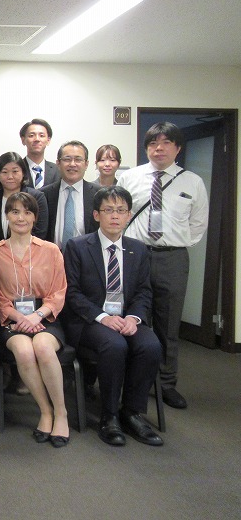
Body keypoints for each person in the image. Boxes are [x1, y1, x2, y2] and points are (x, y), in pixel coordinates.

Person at [117, 122, 208, 409]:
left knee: (168, 324)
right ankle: (132, 378)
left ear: (177, 148)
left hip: (172, 258)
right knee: (131, 318)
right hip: (134, 256)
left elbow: (198, 223)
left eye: (167, 142)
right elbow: (117, 214)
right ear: (146, 148)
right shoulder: (130, 178)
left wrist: (174, 242)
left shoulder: (192, 181)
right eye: (153, 143)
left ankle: (166, 383)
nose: (159, 148)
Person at [63, 186, 163, 446]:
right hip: (90, 321)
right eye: (108, 210)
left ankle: (131, 412)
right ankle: (109, 416)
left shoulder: (138, 249)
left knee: (151, 345)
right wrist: (102, 317)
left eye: (121, 210)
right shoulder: (77, 246)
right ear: (96, 215)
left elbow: (143, 292)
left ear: (129, 215)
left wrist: (134, 318)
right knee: (115, 345)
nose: (115, 216)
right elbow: (71, 292)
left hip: (126, 318)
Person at [0, 192, 69, 447]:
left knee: (43, 347)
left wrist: (36, 315)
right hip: (11, 320)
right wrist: (18, 316)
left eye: (27, 212)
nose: (20, 218)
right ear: (7, 216)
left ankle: (61, 413)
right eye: (14, 212)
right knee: (23, 350)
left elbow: (59, 291)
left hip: (45, 318)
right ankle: (45, 411)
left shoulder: (51, 250)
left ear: (35, 217)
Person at [40, 140, 99, 248]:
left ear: (86, 164)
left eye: (78, 159)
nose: (72, 164)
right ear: (58, 163)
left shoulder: (98, 194)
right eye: (67, 159)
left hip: (87, 255)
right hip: (52, 255)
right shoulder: (43, 194)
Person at [0, 152, 49, 244]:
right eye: (4, 172)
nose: (10, 177)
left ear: (23, 173)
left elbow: (40, 231)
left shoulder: (37, 197)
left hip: (30, 250)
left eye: (15, 171)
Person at [20, 119, 60, 187]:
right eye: (31, 135)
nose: (37, 139)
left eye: (41, 135)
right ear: (23, 140)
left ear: (48, 140)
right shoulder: (17, 169)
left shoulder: (58, 170)